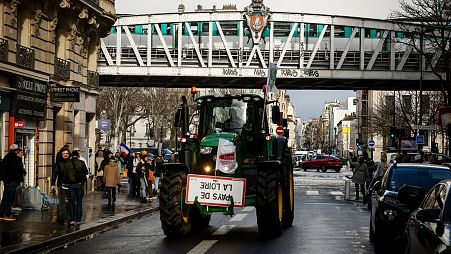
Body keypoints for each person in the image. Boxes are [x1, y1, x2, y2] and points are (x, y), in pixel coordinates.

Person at [59, 149, 88, 225]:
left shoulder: (67, 163)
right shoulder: (81, 162)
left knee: (71, 202)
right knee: (79, 202)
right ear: (78, 156)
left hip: (71, 185)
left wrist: (64, 183)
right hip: (79, 185)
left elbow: (64, 175)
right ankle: (78, 220)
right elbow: (86, 172)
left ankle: (72, 219)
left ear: (71, 156)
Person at [0, 145, 26, 221]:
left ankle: (1, 213)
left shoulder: (6, 157)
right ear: (15, 150)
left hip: (7, 180)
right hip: (12, 180)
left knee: (5, 197)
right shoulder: (15, 158)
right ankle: (7, 214)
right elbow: (17, 170)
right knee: (10, 198)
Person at [51, 146, 70, 223]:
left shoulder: (71, 162)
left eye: (67, 153)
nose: (65, 155)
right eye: (64, 153)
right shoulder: (58, 164)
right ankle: (62, 216)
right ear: (61, 154)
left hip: (70, 184)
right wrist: (53, 184)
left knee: (69, 201)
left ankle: (69, 215)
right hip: (61, 184)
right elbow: (54, 174)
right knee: (61, 201)